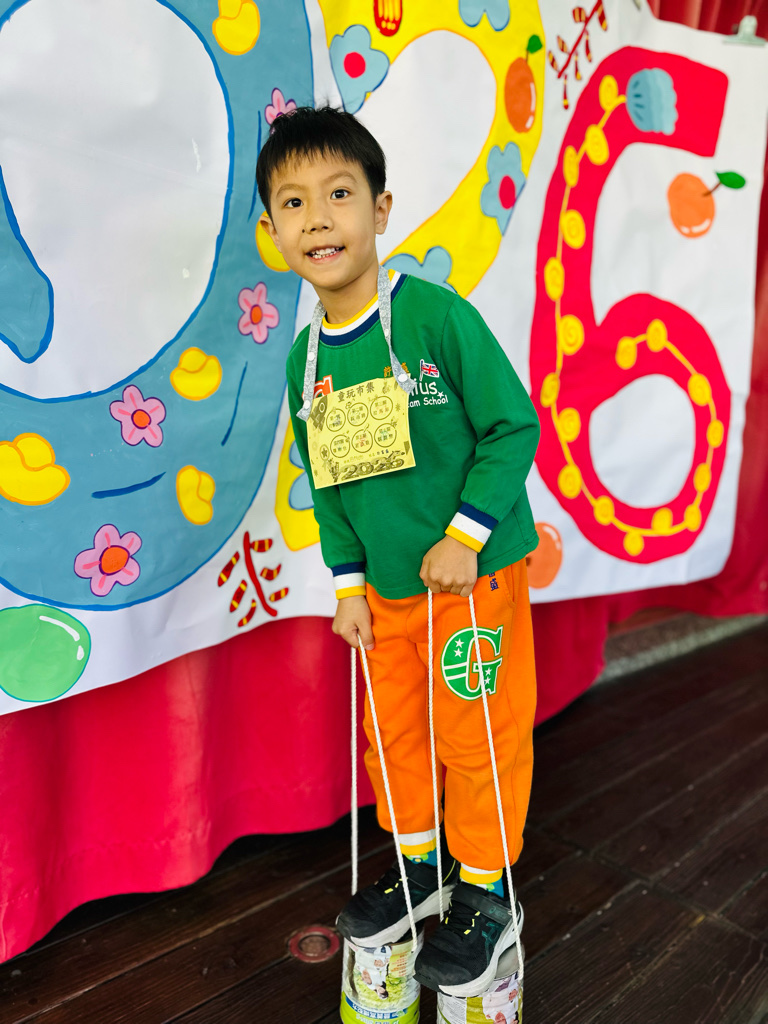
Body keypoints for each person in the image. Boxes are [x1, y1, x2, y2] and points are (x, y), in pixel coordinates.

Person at [256, 105, 539, 999]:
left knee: (475, 736)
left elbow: (513, 425)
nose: (318, 218)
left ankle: (486, 893)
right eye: (293, 203)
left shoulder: (433, 318)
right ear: (273, 234)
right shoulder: (306, 363)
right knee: (396, 742)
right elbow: (329, 488)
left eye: (339, 194)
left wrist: (465, 535)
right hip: (384, 599)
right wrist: (347, 589)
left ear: (380, 209)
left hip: (470, 586)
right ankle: (422, 870)